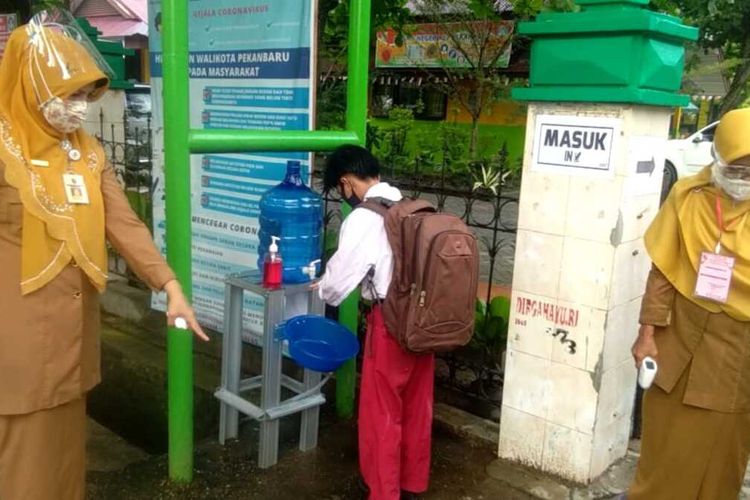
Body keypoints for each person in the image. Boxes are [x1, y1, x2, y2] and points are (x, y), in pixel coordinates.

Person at [0, 11, 207, 500]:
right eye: (67, 94)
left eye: (85, 95)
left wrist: (169, 286)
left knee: (67, 456)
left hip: (74, 334)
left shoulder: (87, 152)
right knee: (23, 459)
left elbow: (124, 223)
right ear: (31, 86)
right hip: (19, 340)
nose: (79, 108)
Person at [630, 108, 750, 499]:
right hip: (677, 338)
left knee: (719, 455)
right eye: (737, 168)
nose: (743, 179)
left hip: (735, 352)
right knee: (663, 443)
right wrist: (647, 334)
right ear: (718, 159)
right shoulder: (688, 197)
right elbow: (663, 272)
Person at [314, 145, 435, 500]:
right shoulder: (411, 206)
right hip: (425, 320)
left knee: (382, 411)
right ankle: (412, 483)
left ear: (346, 182)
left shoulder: (364, 218)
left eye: (341, 191)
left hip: (391, 322)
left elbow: (337, 286)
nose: (344, 196)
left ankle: (384, 492)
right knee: (417, 406)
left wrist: (321, 286)